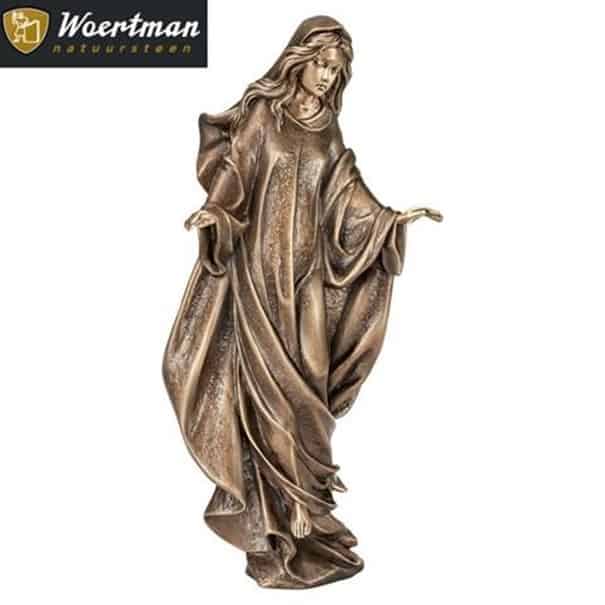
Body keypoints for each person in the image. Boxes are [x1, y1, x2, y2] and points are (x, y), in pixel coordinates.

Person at [163, 15, 441, 589]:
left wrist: (389, 220)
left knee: (310, 387)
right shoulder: (263, 115)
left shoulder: (327, 127)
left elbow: (344, 192)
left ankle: (308, 509)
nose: (328, 77)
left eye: (337, 70)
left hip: (306, 280)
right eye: (322, 65)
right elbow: (235, 174)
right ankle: (280, 521)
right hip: (260, 281)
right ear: (299, 58)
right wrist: (214, 214)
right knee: (268, 399)